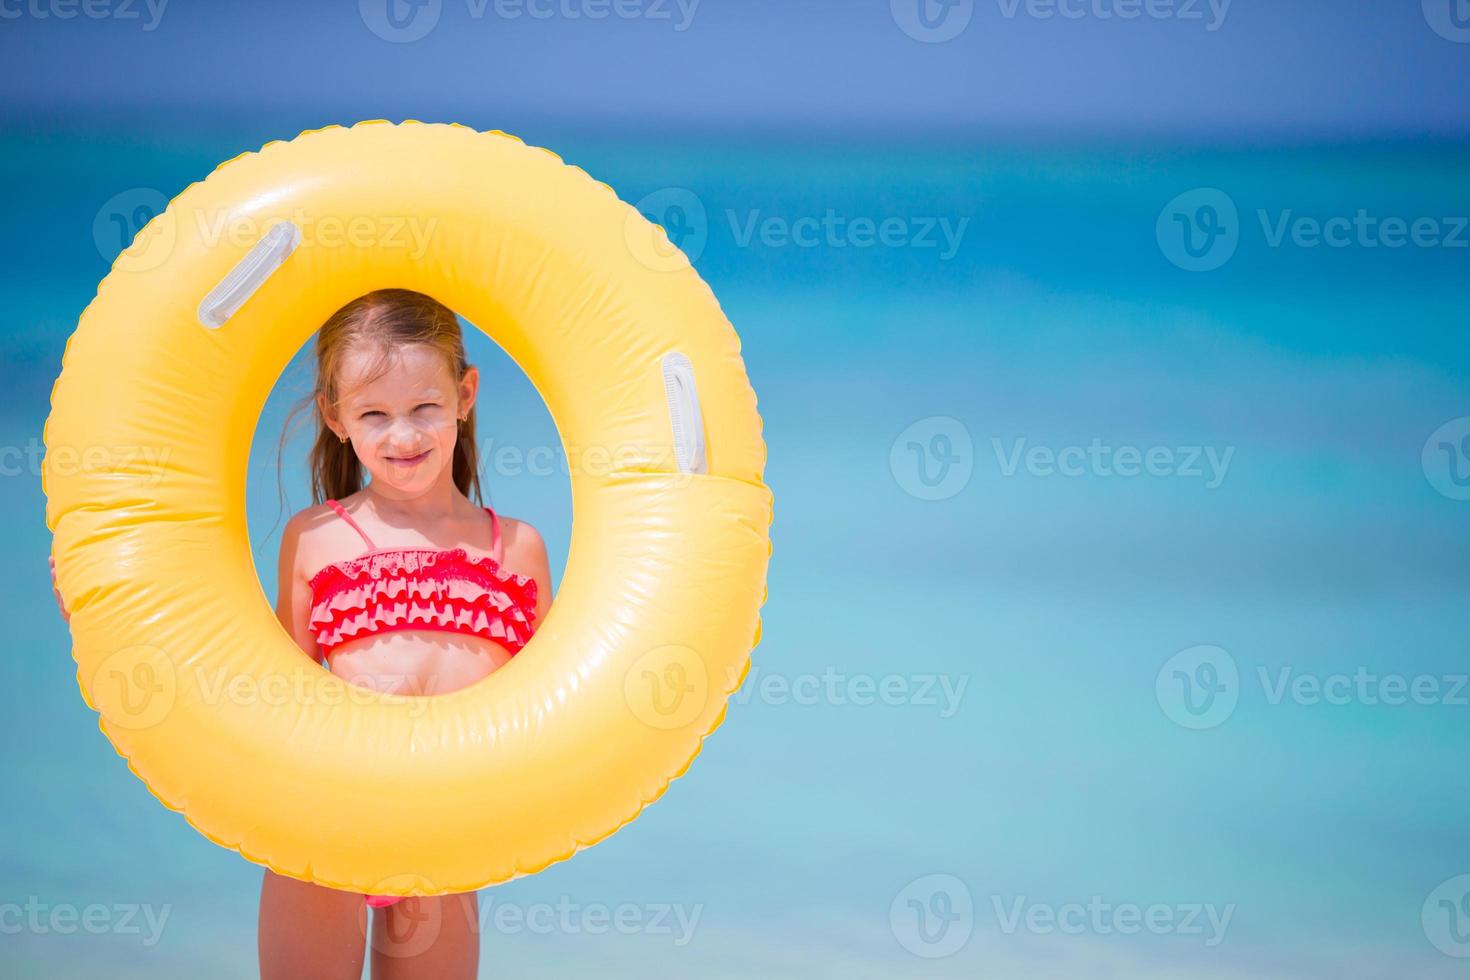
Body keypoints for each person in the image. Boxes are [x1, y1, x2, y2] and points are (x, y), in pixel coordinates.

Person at [52, 287, 554, 980]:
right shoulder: (318, 539)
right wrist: (113, 619)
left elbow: (558, 704)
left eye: (425, 408)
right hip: (322, 822)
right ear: (335, 417)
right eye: (373, 414)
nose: (402, 435)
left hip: (445, 835)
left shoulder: (516, 549)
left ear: (465, 396)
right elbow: (270, 692)